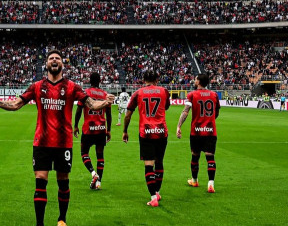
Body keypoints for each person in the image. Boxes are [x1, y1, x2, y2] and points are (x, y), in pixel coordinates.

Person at [0, 50, 114, 226]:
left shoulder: (72, 87)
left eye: (58, 59)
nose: (54, 61)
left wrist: (105, 102)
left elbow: (91, 104)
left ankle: (62, 220)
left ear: (62, 64)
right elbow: (16, 104)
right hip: (42, 142)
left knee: (63, 181)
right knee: (41, 180)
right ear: (46, 64)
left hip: (63, 143)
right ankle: (39, 225)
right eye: (51, 58)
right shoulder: (37, 86)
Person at [123, 70, 170, 207]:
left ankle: (153, 197)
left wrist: (125, 131)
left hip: (146, 132)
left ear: (144, 80)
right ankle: (157, 191)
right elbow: (166, 107)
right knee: (159, 162)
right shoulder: (164, 91)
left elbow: (128, 115)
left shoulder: (138, 93)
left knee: (149, 164)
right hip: (162, 132)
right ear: (156, 79)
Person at [176, 73, 220, 193]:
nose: (194, 80)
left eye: (195, 79)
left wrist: (179, 126)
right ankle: (211, 184)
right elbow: (216, 113)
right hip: (210, 131)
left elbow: (185, 112)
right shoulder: (214, 95)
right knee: (210, 157)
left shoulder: (192, 95)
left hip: (196, 132)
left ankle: (194, 180)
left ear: (199, 81)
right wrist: (209, 121)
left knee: (195, 156)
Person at [73, 73, 112, 190]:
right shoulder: (105, 95)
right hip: (101, 129)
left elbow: (79, 110)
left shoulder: (85, 93)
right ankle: (98, 182)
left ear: (89, 81)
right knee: (100, 155)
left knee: (84, 153)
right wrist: (108, 130)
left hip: (88, 129)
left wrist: (75, 125)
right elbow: (109, 115)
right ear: (100, 81)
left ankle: (93, 173)